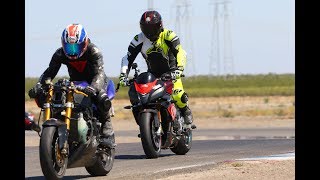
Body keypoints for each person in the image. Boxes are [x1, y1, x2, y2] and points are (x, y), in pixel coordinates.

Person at [28, 23, 115, 148]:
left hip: (96, 81)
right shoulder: (59, 54)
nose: (72, 51)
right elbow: (49, 72)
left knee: (101, 96)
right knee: (54, 95)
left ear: (84, 42)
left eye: (76, 47)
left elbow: (99, 73)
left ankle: (107, 132)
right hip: (76, 83)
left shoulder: (93, 51)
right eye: (69, 47)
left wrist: (94, 87)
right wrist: (39, 85)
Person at [118, 10, 195, 129]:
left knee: (178, 95)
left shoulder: (169, 35)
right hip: (153, 75)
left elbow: (180, 52)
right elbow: (127, 57)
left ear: (160, 25)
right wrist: (123, 75)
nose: (150, 32)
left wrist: (179, 69)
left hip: (171, 72)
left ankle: (185, 111)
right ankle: (147, 124)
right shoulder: (138, 39)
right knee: (138, 95)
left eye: (152, 28)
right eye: (146, 28)